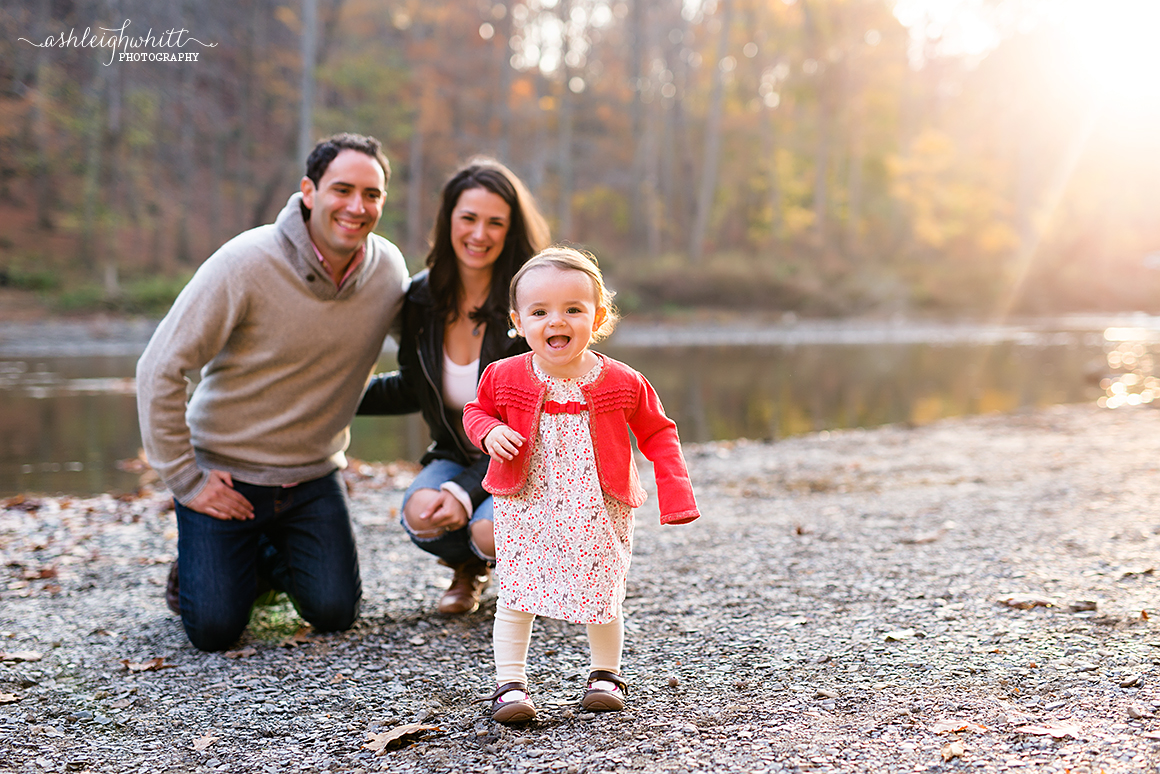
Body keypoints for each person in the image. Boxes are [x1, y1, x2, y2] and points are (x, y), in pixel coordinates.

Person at [136, 133, 409, 652]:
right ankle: (198, 563)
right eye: (342, 189)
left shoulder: (388, 270)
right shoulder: (245, 262)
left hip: (312, 476)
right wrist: (186, 480)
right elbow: (159, 368)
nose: (357, 207)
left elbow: (430, 352)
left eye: (371, 194)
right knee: (214, 631)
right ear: (309, 190)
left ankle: (255, 552)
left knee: (334, 612)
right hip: (226, 473)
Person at [462, 247, 701, 723]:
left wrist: (676, 496)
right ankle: (510, 683)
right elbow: (476, 411)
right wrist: (489, 431)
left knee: (603, 589)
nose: (558, 320)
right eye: (540, 311)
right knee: (517, 591)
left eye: (574, 309)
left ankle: (605, 675)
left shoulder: (622, 380)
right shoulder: (503, 375)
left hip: (599, 503)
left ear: (598, 317)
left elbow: (658, 432)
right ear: (518, 320)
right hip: (527, 500)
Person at [357, 157, 550, 615]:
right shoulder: (421, 299)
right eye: (468, 218)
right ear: (449, 222)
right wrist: (334, 397)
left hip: (529, 461)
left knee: (487, 528)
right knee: (421, 512)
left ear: (510, 230)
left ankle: (539, 565)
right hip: (456, 453)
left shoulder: (532, 303)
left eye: (494, 222)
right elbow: (411, 386)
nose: (479, 234)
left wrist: (464, 491)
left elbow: (534, 424)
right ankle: (470, 570)